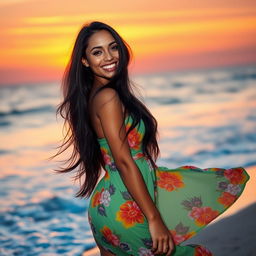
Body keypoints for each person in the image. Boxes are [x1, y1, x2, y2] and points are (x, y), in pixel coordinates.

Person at [53, 21, 250, 256]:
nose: (109, 57)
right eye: (97, 52)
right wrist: (155, 218)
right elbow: (125, 162)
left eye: (113, 47)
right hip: (127, 208)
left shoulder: (96, 96)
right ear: (85, 61)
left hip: (108, 207)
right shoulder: (108, 97)